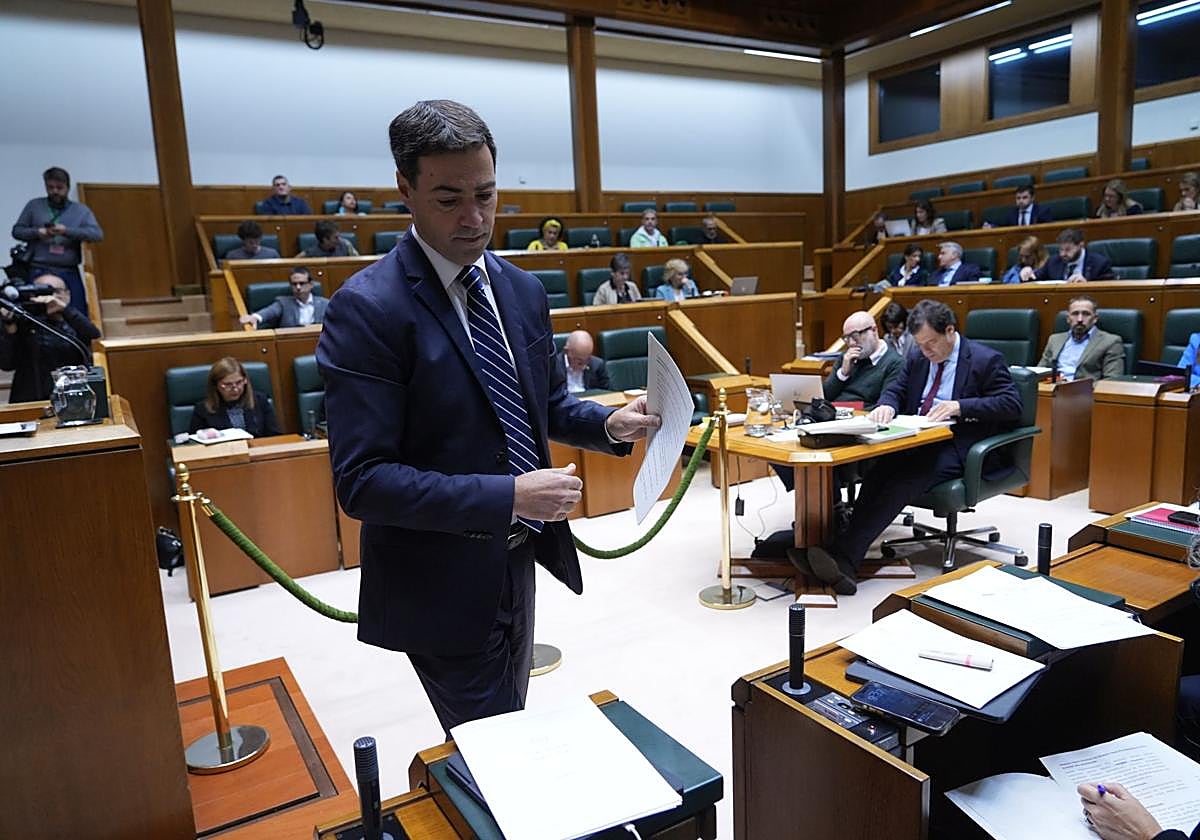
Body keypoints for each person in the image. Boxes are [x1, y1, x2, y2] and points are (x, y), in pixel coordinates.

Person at [314, 99, 660, 734]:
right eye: (448, 199)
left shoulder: (520, 289)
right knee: (494, 748)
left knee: (510, 723)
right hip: (437, 576)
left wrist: (606, 425)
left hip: (518, 558)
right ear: (405, 190)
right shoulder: (366, 310)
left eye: (486, 194)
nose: (474, 218)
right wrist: (510, 495)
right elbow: (362, 481)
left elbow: (542, 405)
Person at [802, 299, 1022, 593]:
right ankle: (839, 552)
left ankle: (845, 558)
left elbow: (1011, 404)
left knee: (905, 480)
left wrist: (960, 405)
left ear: (950, 331)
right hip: (919, 436)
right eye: (920, 344)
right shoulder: (918, 357)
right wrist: (886, 406)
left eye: (931, 343)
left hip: (961, 444)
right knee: (877, 472)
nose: (926, 351)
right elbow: (896, 389)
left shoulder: (985, 359)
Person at [11, 167, 104, 315]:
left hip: (68, 270)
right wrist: (37, 232)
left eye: (59, 188)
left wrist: (66, 231)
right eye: (50, 187)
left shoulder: (81, 211)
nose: (55, 191)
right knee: (37, 313)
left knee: (76, 313)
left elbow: (97, 234)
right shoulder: (34, 206)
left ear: (67, 187)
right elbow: (17, 231)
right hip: (38, 268)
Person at [0, 273, 100, 403]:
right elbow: (7, 364)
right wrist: (9, 327)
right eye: (41, 291)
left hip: (71, 396)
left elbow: (93, 336)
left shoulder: (74, 321)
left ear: (67, 294)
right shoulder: (22, 321)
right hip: (29, 398)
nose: (49, 297)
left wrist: (65, 310)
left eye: (55, 291)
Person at [1037, 295, 1125, 380]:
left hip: (1086, 393)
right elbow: (1039, 372)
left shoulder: (1111, 342)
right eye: (1075, 314)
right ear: (1068, 318)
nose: (1080, 319)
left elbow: (1111, 380)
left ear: (1095, 318)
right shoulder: (1054, 339)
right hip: (1051, 390)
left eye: (1086, 314)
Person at [188, 356, 281, 437]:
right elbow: (195, 444)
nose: (235, 389)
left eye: (239, 382)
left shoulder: (260, 401)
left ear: (245, 380)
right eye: (227, 384)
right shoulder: (202, 410)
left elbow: (275, 436)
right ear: (215, 385)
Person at [239, 267, 329, 329]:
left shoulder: (325, 304)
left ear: (311, 285)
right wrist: (254, 317)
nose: (298, 287)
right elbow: (269, 312)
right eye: (294, 284)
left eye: (302, 283)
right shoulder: (283, 303)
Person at [1027, 228, 1114, 283]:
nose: (1063, 254)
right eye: (1061, 249)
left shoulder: (1099, 263)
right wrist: (1027, 273)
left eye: (1068, 249)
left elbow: (1108, 291)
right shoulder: (1053, 262)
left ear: (1080, 245)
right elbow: (1036, 278)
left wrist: (1087, 285)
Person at [986, 184, 1052, 228]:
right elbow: (1003, 227)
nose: (1021, 201)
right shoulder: (1011, 213)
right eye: (1018, 198)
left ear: (1032, 198)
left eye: (1024, 197)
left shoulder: (1042, 212)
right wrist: (991, 226)